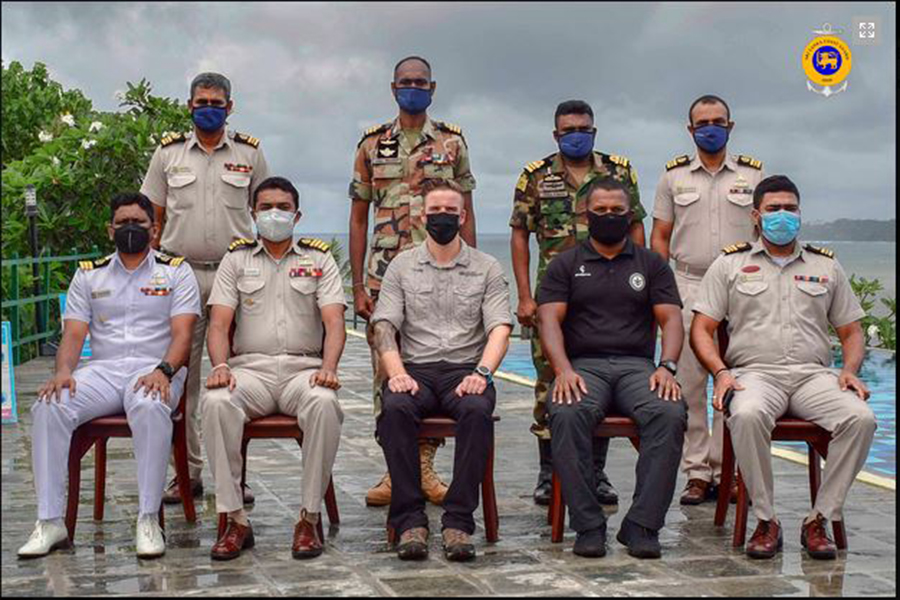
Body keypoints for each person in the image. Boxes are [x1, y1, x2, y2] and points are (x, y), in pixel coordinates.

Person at [690, 175, 876, 560]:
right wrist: (721, 372)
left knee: (861, 419)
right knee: (747, 414)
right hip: (755, 374)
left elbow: (851, 331)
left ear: (800, 213)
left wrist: (850, 370)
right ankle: (766, 519)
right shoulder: (730, 264)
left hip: (813, 377)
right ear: (756, 216)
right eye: (774, 209)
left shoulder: (825, 266)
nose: (783, 216)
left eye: (791, 208)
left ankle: (819, 519)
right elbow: (702, 330)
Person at [18, 193, 200, 559]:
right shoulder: (90, 274)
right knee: (49, 406)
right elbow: (73, 334)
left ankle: (148, 518)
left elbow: (183, 335)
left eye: (139, 223)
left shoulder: (176, 271)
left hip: (156, 369)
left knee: (150, 407)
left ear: (155, 229)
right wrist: (63, 372)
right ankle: (50, 521)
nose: (130, 229)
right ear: (109, 229)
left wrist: (164, 371)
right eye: (122, 224)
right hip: (104, 370)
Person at [349, 56, 478, 508]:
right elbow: (359, 215)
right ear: (392, 88)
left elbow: (466, 209)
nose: (413, 88)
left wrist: (474, 273)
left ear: (433, 88)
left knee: (433, 363)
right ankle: (394, 469)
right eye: (405, 82)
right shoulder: (370, 145)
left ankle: (422, 467)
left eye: (420, 82)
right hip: (384, 277)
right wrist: (359, 287)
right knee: (387, 375)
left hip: (440, 274)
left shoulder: (452, 144)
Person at [537, 177, 686, 559]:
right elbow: (549, 321)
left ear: (630, 214)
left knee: (669, 412)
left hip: (638, 367)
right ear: (587, 214)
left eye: (617, 211)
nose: (608, 217)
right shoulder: (565, 264)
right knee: (567, 414)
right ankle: (588, 525)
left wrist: (667, 366)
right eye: (600, 210)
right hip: (584, 368)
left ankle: (642, 525)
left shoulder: (651, 264)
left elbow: (671, 320)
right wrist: (563, 370)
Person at [141, 72, 270, 507]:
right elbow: (151, 219)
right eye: (201, 101)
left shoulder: (250, 153)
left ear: (230, 107)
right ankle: (187, 474)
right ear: (189, 105)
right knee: (184, 377)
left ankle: (235, 477)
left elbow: (267, 209)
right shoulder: (168, 154)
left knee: (236, 376)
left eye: (216, 101)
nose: (208, 107)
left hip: (236, 273)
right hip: (181, 273)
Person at [510, 99, 647, 507]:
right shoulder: (535, 176)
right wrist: (523, 296)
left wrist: (638, 286)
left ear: (594, 131)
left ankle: (595, 472)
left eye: (584, 129)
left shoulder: (619, 172)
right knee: (550, 381)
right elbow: (520, 234)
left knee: (598, 380)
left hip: (608, 298)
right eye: (568, 130)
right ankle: (549, 471)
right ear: (556, 135)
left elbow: (636, 226)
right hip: (553, 298)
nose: (577, 135)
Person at [201, 177, 346, 561]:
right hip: (251, 371)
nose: (274, 214)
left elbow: (334, 322)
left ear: (297, 215)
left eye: (283, 207)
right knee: (216, 402)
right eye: (265, 208)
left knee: (325, 404)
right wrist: (219, 366)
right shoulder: (236, 259)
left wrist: (329, 367)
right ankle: (235, 519)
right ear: (252, 213)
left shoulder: (319, 259)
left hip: (304, 369)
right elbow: (218, 324)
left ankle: (308, 517)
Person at [371, 180, 512, 562]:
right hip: (415, 368)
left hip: (465, 370)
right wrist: (396, 372)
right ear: (422, 216)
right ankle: (409, 520)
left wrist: (482, 373)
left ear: (463, 217)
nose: (443, 218)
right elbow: (384, 326)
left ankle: (458, 521)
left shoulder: (487, 267)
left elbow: (500, 327)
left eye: (452, 212)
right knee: (395, 408)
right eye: (436, 212)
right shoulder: (402, 266)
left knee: (477, 411)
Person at [649, 94, 766, 505]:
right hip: (688, 286)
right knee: (689, 384)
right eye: (703, 122)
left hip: (744, 287)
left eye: (718, 121)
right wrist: (658, 292)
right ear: (690, 128)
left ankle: (728, 470)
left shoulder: (754, 177)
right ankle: (697, 473)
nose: (710, 127)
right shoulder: (673, 178)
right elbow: (660, 237)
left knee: (738, 380)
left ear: (730, 127)